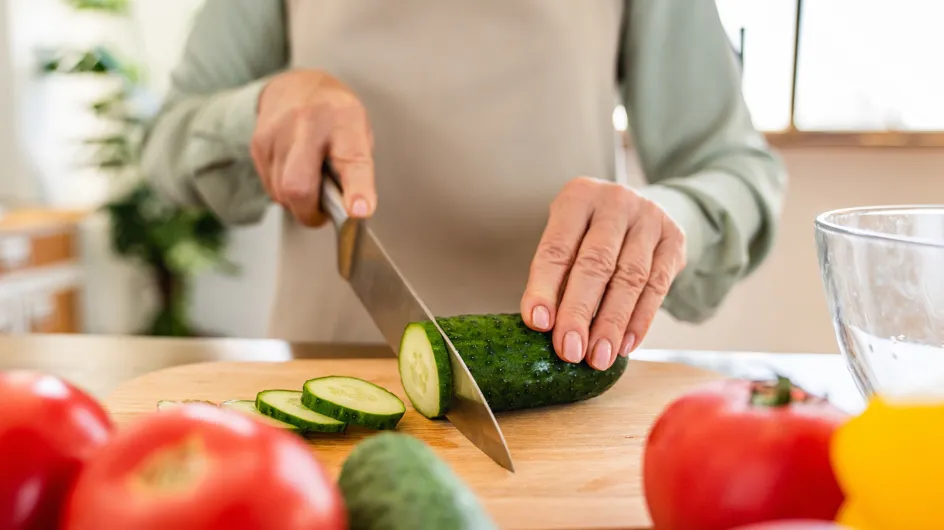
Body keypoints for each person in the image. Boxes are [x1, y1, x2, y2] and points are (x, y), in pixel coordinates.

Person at [141, 0, 786, 372]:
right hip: (326, 376)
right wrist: (260, 111)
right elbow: (166, 145)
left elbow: (738, 169)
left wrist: (667, 219)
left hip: (555, 386)